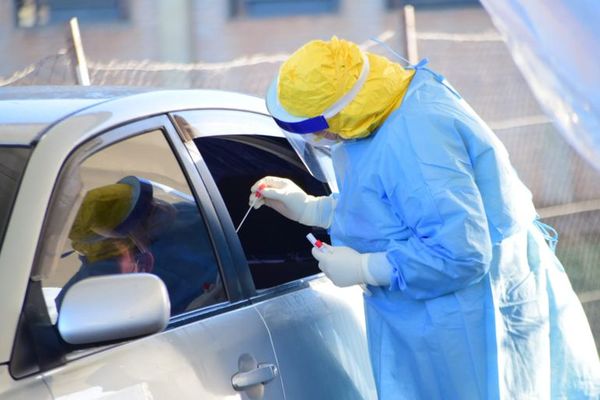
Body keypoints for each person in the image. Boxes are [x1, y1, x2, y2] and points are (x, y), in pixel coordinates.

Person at [249, 37, 600, 399]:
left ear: (338, 111)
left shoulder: (418, 139)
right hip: (444, 324)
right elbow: (393, 208)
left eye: (314, 128)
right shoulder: (384, 108)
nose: (319, 138)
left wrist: (367, 268)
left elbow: (462, 252)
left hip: (468, 323)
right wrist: (313, 208)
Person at [57, 176, 223, 315]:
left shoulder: (192, 216)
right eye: (149, 212)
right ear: (119, 241)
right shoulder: (84, 293)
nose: (160, 207)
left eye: (151, 202)